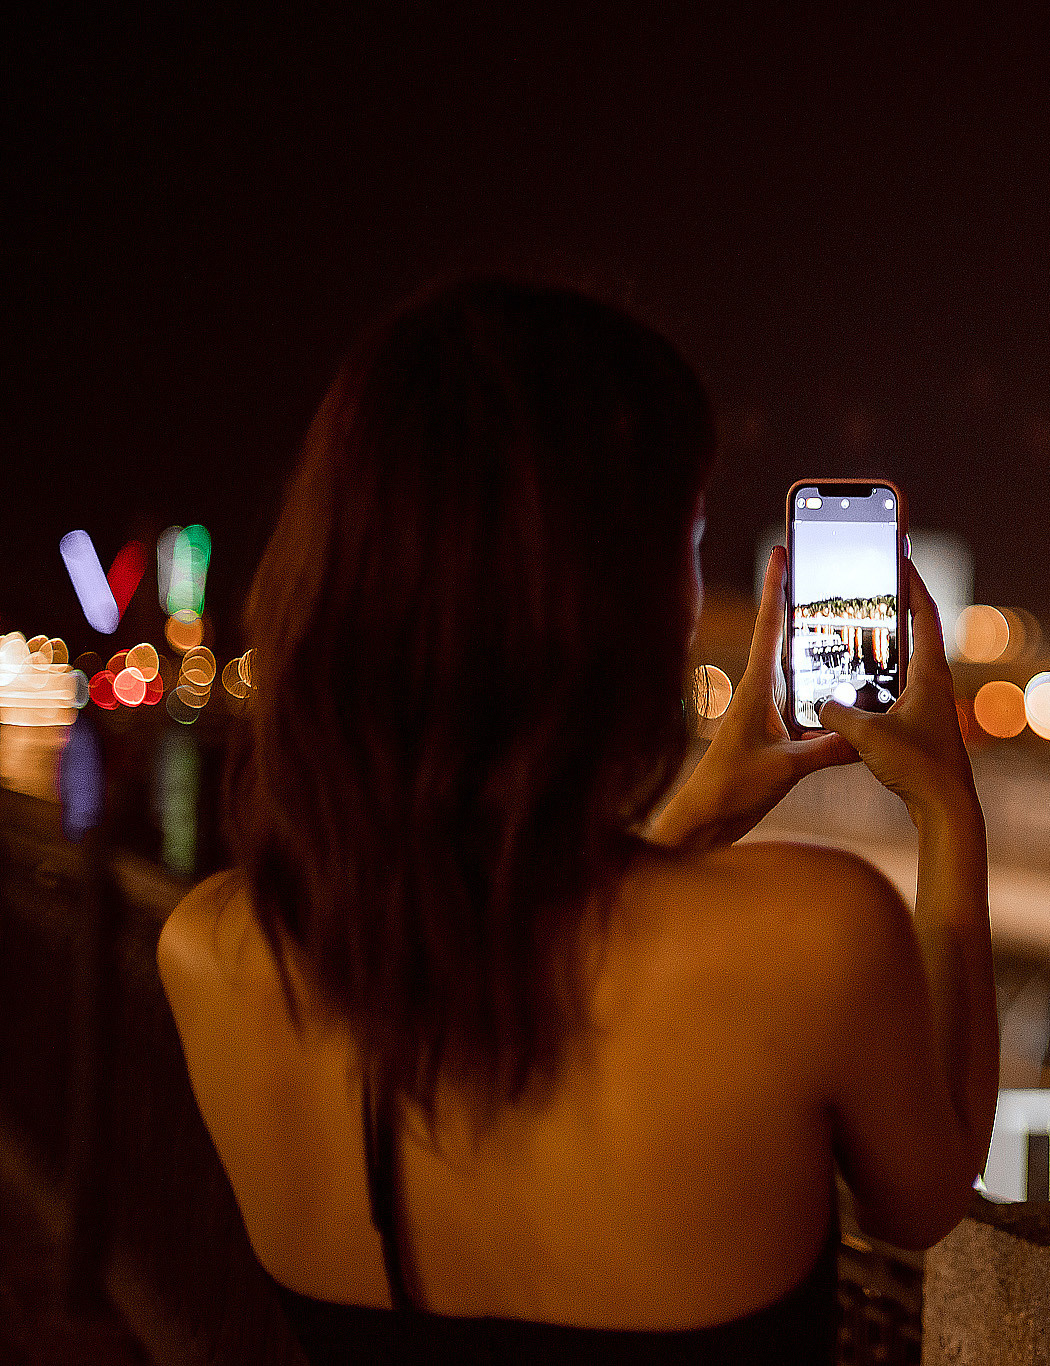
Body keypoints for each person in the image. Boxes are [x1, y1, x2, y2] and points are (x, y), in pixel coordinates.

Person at [155, 278, 997, 1363]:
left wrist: (699, 808)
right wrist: (945, 805)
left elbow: (502, 936)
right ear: (611, 588)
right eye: (684, 543)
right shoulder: (814, 931)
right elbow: (923, 1200)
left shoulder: (216, 946)